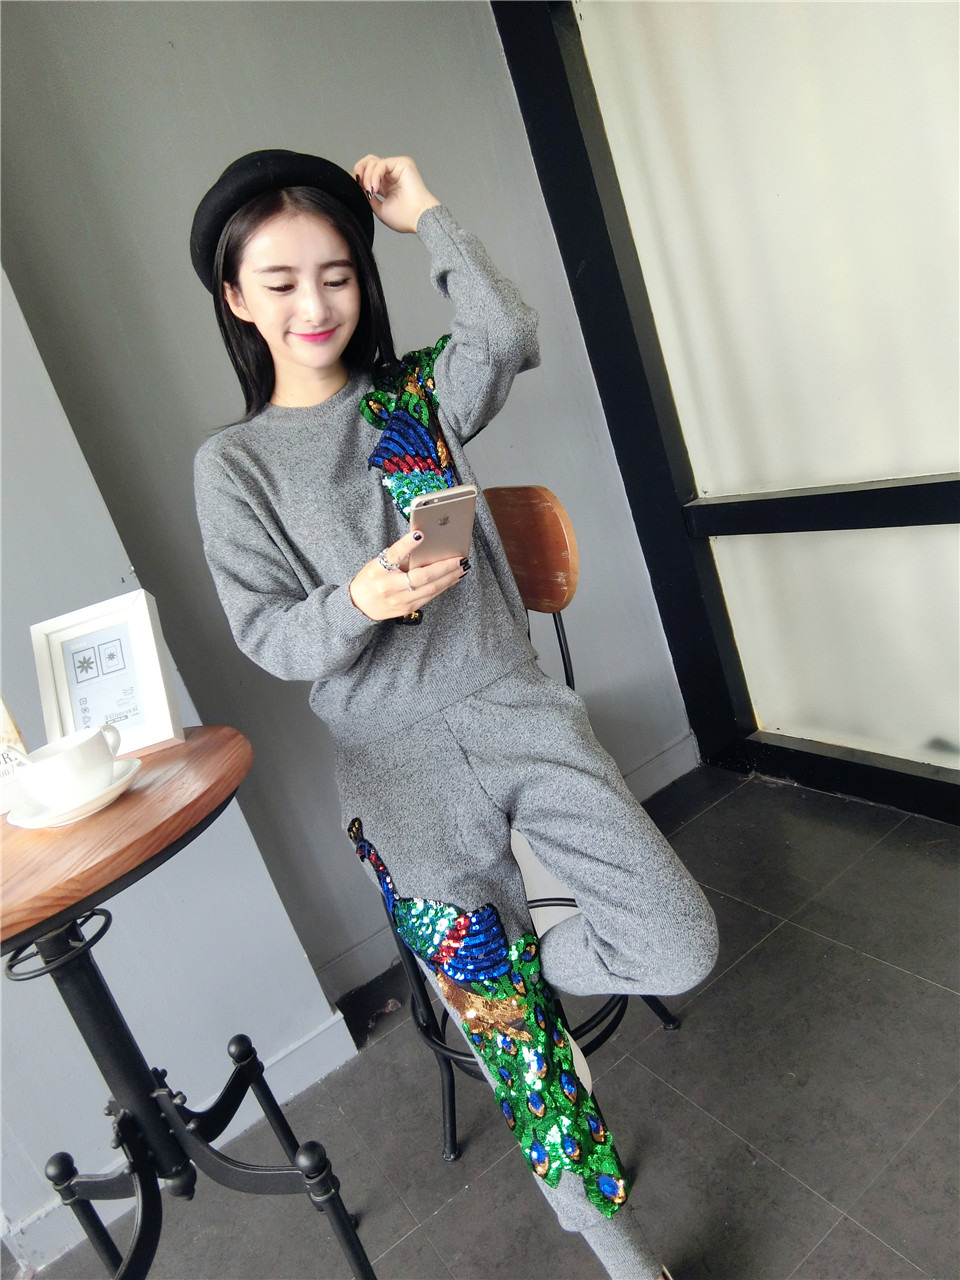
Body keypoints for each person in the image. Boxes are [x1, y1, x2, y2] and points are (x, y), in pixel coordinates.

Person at [191, 149, 717, 1280]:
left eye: (337, 274)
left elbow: (506, 332)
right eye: (280, 282)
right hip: (397, 770)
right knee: (522, 1060)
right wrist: (358, 600)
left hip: (517, 707)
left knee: (676, 941)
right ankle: (622, 1254)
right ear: (235, 297)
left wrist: (425, 211)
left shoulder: (409, 399)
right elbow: (269, 634)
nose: (315, 303)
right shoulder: (233, 466)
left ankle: (530, 970)